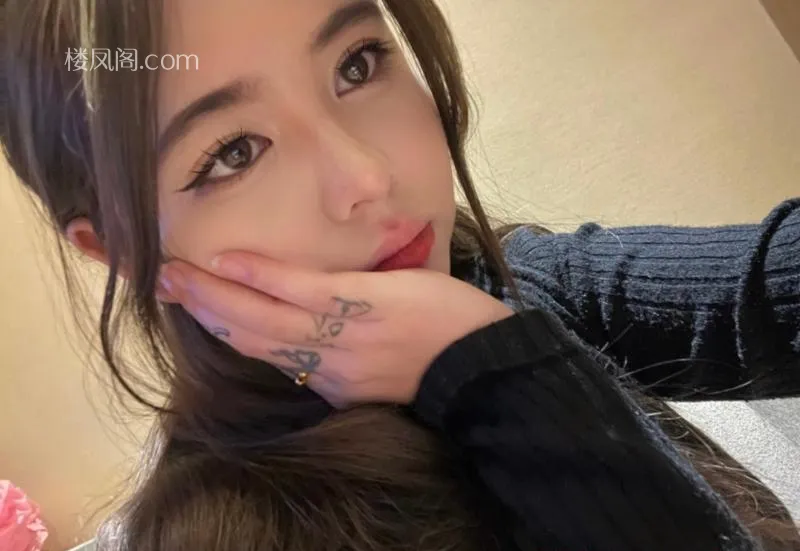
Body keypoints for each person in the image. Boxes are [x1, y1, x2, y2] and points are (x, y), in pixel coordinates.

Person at [2, 0, 799, 549]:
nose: (368, 174)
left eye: (357, 64)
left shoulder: (495, 284)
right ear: (121, 252)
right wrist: (501, 379)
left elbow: (767, 288)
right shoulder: (244, 530)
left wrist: (484, 351)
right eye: (234, 153)